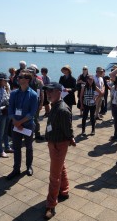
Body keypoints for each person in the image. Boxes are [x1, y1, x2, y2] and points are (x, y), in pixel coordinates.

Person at [43, 82, 76, 220]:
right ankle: (64, 190)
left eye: (51, 91)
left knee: (54, 175)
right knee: (60, 167)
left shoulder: (62, 109)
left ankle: (51, 204)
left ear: (59, 91)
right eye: (47, 91)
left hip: (58, 144)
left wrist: (71, 138)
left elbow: (68, 129)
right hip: (54, 142)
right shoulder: (55, 105)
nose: (48, 94)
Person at [7, 70, 38, 180]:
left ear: (27, 80)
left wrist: (20, 122)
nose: (18, 78)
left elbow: (32, 112)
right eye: (18, 77)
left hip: (28, 125)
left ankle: (29, 166)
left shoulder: (33, 95)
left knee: (29, 147)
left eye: (21, 77)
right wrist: (15, 121)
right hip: (15, 125)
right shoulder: (14, 93)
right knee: (16, 148)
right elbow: (10, 108)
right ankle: (16, 169)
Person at [0, 73, 13, 158]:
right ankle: (0, 151)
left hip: (6, 112)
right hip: (0, 114)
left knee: (6, 131)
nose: (7, 82)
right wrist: (8, 102)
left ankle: (7, 147)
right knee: (0, 133)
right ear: (0, 80)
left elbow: (7, 98)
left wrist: (8, 102)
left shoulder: (5, 87)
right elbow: (0, 103)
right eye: (5, 80)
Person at [28, 66, 44, 140]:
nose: (29, 73)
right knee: (27, 118)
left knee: (36, 119)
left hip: (36, 103)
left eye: (31, 72)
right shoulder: (26, 81)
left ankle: (37, 134)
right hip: (27, 103)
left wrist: (41, 104)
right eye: (28, 72)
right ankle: (27, 134)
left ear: (34, 73)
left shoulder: (39, 81)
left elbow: (42, 93)